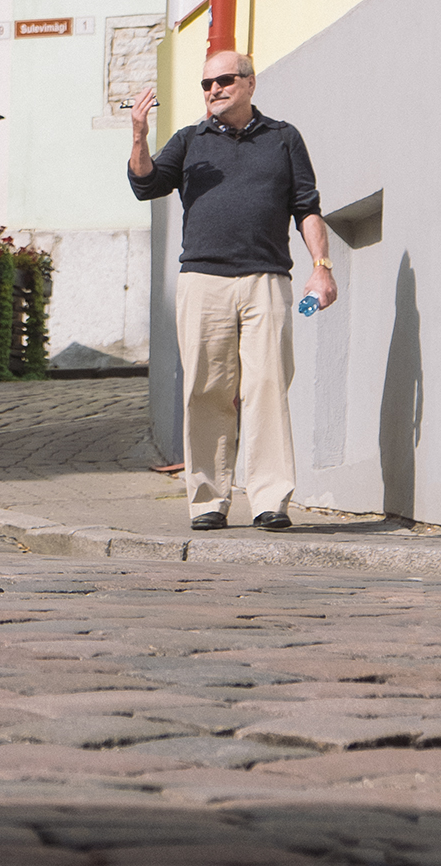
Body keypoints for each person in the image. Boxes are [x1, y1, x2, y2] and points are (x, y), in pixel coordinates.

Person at [128, 52, 337, 532]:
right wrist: (139, 136)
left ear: (250, 83)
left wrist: (321, 268)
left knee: (268, 388)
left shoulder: (283, 138)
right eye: (206, 84)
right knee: (206, 390)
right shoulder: (189, 140)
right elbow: (146, 185)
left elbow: (306, 206)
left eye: (223, 80)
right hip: (203, 281)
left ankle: (270, 500)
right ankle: (208, 500)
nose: (214, 90)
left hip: (267, 279)